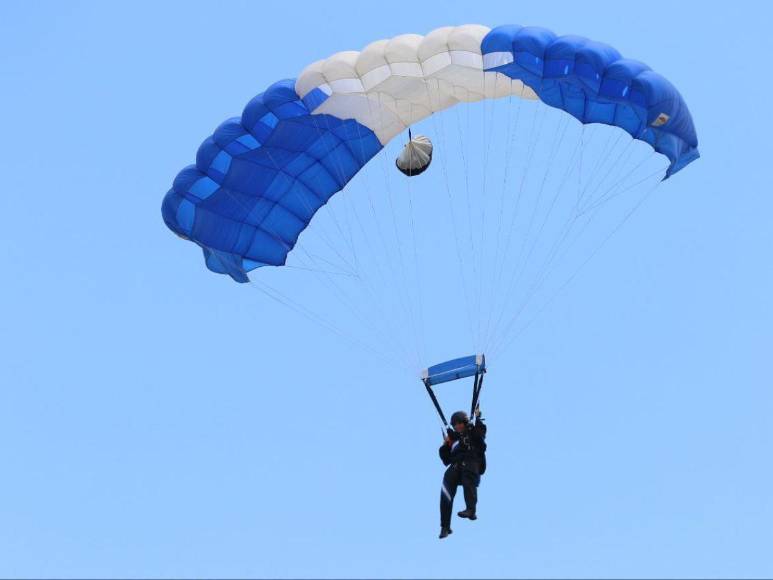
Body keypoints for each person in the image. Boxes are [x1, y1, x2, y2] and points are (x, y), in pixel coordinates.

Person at [438, 408, 487, 539]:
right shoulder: (452, 440)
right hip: (456, 466)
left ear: (465, 423)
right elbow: (446, 460)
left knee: (467, 477)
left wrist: (478, 419)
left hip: (471, 466)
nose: (458, 426)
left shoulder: (473, 433)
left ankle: (471, 510)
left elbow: (482, 444)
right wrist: (444, 446)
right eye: (455, 424)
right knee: (446, 487)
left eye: (460, 423)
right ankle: (445, 526)